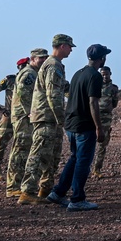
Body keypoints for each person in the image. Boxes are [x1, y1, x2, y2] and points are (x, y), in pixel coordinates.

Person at [48, 44, 110, 211]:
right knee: (83, 162)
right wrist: (99, 127)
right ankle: (77, 199)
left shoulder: (78, 73)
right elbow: (93, 102)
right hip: (84, 126)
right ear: (102, 59)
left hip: (71, 124)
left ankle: (58, 192)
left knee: (74, 158)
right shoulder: (95, 76)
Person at [19, 34, 73, 204]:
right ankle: (27, 192)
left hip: (51, 118)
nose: (71, 50)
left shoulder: (55, 65)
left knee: (52, 156)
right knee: (39, 153)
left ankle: (45, 189)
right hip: (47, 117)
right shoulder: (52, 66)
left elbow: (64, 89)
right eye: (70, 46)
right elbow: (53, 94)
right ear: (62, 46)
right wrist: (61, 118)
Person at [6, 49, 48, 197]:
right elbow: (23, 93)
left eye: (45, 58)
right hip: (23, 118)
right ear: (33, 59)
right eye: (40, 58)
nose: (43, 60)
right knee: (20, 150)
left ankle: (18, 184)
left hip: (28, 117)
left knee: (26, 150)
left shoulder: (35, 72)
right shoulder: (29, 73)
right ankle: (12, 186)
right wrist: (30, 111)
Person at [0, 58, 27, 181]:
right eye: (23, 66)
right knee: (1, 141)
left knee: (22, 143)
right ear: (19, 68)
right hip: (9, 115)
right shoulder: (10, 80)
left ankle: (17, 170)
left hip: (24, 116)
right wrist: (0, 108)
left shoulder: (31, 79)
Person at [92, 66, 120, 178]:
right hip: (93, 117)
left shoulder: (113, 88)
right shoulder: (95, 86)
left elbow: (114, 103)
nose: (104, 76)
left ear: (110, 74)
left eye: (106, 74)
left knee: (102, 144)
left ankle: (97, 169)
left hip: (106, 118)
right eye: (102, 74)